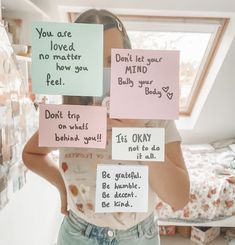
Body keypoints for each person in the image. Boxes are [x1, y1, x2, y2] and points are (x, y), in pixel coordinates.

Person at [22, 9, 190, 245]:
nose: (105, 75)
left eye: (113, 61)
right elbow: (30, 154)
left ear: (129, 59)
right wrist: (62, 186)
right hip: (78, 234)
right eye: (92, 64)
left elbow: (179, 198)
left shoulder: (154, 113)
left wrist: (137, 134)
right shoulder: (70, 116)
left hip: (138, 236)